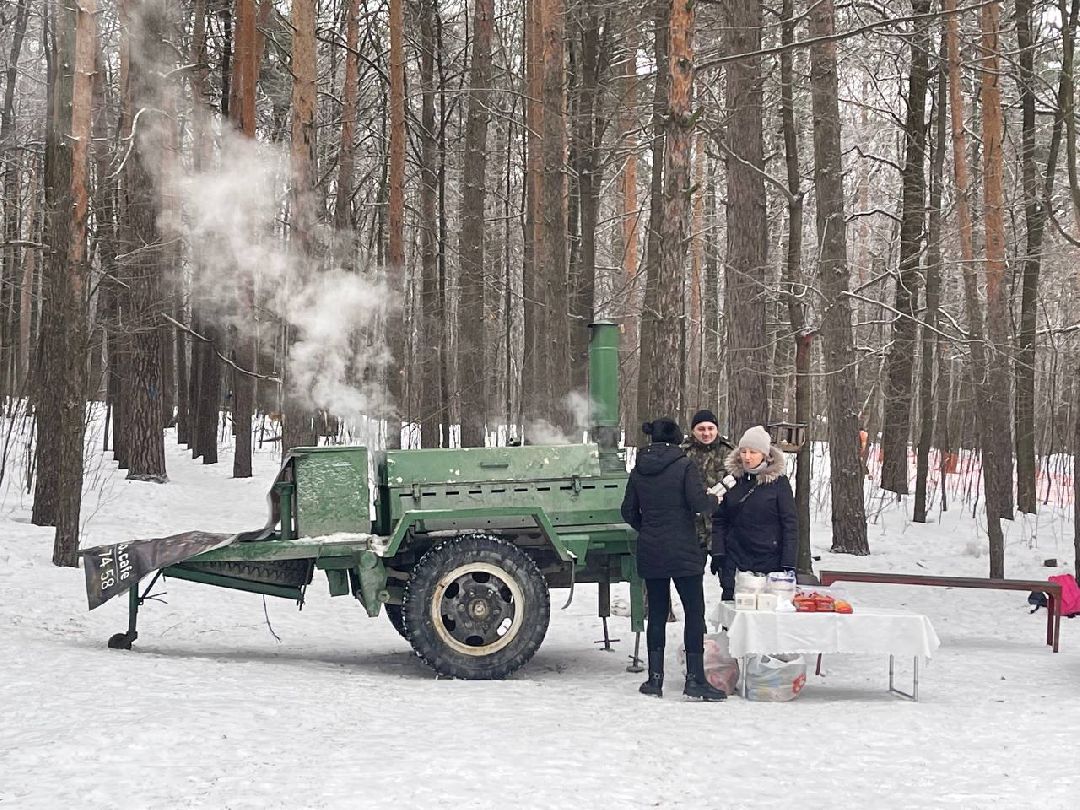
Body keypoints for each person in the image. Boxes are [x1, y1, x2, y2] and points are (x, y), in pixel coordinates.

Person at [621, 417, 727, 701]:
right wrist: (714, 500)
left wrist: (649, 529)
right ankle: (695, 680)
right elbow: (699, 504)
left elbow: (627, 511)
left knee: (656, 613)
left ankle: (654, 680)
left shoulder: (639, 469)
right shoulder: (684, 466)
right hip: (684, 549)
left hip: (651, 550)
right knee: (694, 612)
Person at [710, 425, 798, 600]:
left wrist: (788, 562)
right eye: (743, 451)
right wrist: (718, 551)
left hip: (769, 559)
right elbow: (719, 519)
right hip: (735, 559)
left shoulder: (778, 483)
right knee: (733, 611)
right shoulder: (731, 480)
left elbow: (790, 524)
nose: (747, 457)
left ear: (765, 455)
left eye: (753, 452)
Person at [682, 409, 735, 550]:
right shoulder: (683, 453)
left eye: (710, 428)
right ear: (693, 431)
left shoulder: (729, 452)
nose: (706, 433)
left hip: (722, 523)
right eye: (701, 429)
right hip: (692, 525)